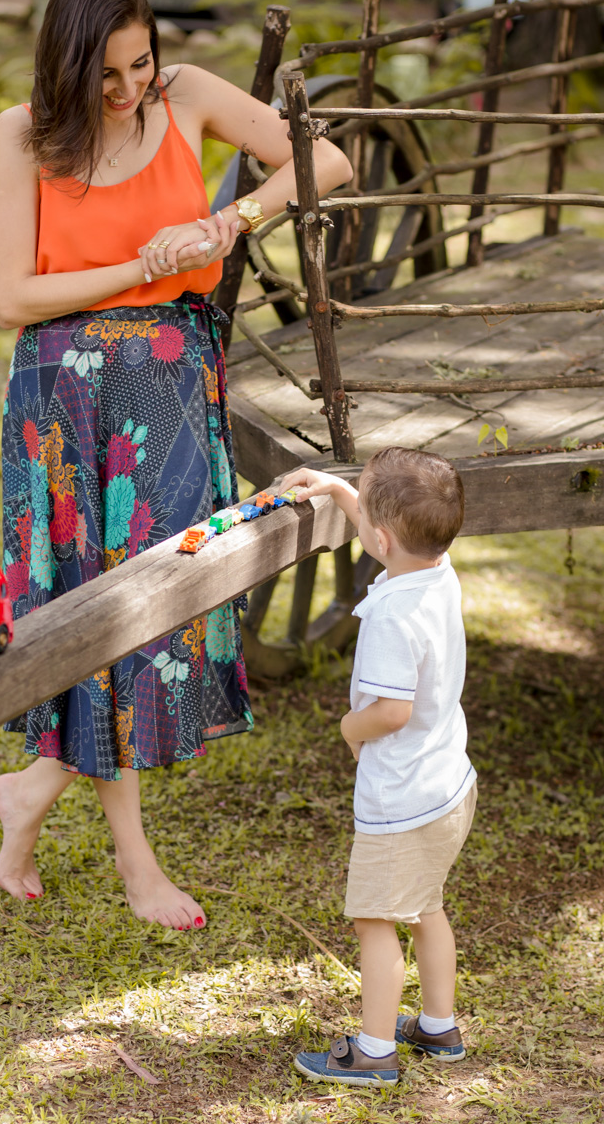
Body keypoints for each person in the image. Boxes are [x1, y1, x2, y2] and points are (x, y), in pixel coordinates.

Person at [0, 0, 353, 931]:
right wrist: (131, 265)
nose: (124, 91)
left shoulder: (183, 95)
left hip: (167, 377)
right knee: (86, 612)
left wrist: (225, 222)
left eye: (137, 65)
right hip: (62, 397)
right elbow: (11, 297)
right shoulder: (23, 136)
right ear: (63, 66)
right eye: (101, 76)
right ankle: (134, 859)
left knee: (158, 607)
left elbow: (329, 160)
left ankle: (33, 790)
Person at [278, 448, 477, 1086]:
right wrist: (339, 491)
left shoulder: (393, 615)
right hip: (447, 785)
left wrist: (348, 728)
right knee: (427, 908)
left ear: (380, 540)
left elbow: (391, 711)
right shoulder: (437, 570)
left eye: (365, 515)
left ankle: (372, 1051)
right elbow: (383, 527)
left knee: (376, 921)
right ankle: (439, 1028)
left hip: (402, 800)